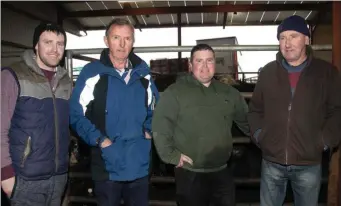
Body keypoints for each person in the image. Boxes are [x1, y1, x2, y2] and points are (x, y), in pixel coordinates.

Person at [248, 15, 341, 206]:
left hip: (308, 163)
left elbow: (337, 110)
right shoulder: (267, 72)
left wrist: (324, 141)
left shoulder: (326, 73)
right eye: (282, 38)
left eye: (293, 36)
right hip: (272, 161)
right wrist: (259, 135)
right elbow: (255, 109)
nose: (287, 43)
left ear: (307, 40)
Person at [69, 18, 159, 206]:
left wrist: (149, 131)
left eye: (127, 38)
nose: (122, 43)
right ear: (106, 40)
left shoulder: (143, 74)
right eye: (116, 37)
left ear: (133, 42)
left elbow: (156, 109)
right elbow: (75, 114)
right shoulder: (92, 73)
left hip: (139, 162)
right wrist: (100, 140)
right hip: (106, 164)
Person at [152, 44, 250, 206]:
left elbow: (247, 122)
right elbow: (161, 126)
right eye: (199, 61)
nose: (205, 66)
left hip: (222, 170)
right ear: (191, 65)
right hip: (190, 173)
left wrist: (265, 139)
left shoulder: (229, 93)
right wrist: (171, 155)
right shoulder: (175, 92)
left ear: (215, 64)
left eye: (209, 61)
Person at [1, 22, 71, 205]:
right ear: (36, 46)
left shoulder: (65, 81)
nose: (55, 49)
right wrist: (5, 175)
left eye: (60, 43)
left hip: (59, 178)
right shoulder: (13, 75)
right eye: (48, 42)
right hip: (25, 180)